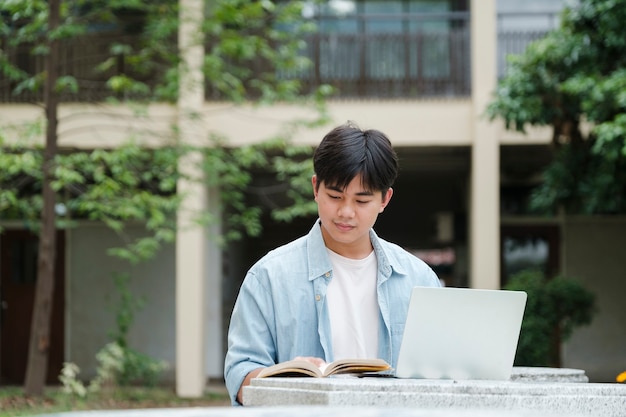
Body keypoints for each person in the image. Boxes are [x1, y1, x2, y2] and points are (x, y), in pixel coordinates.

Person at [224, 123, 441, 405]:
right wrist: (281, 379)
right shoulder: (268, 276)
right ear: (316, 188)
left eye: (362, 200)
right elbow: (239, 376)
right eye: (335, 196)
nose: (346, 212)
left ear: (384, 199)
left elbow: (442, 376)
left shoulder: (418, 278)